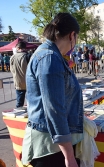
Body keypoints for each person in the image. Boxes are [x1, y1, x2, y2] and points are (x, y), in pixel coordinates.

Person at [21, 13, 82, 167]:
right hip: (50, 147)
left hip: (52, 142)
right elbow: (55, 109)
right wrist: (69, 156)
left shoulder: (51, 55)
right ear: (72, 35)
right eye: (76, 39)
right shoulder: (49, 58)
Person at [10, 42, 29, 108]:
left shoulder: (12, 57)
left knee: (19, 102)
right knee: (30, 102)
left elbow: (12, 70)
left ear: (18, 48)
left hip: (18, 82)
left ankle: (18, 113)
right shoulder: (27, 56)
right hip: (28, 82)